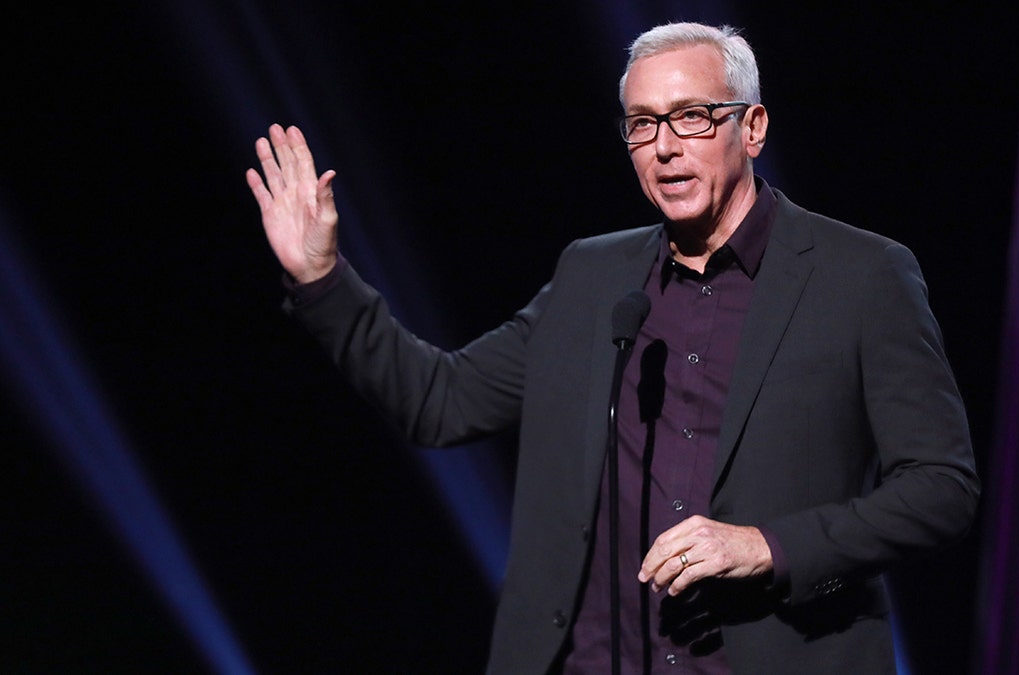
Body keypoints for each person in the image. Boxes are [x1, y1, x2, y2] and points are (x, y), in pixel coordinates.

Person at [247, 22, 979, 675]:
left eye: (692, 117)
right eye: (641, 125)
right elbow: (440, 403)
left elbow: (941, 486)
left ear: (752, 127)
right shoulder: (592, 278)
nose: (664, 147)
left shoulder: (861, 275)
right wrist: (321, 279)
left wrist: (768, 546)